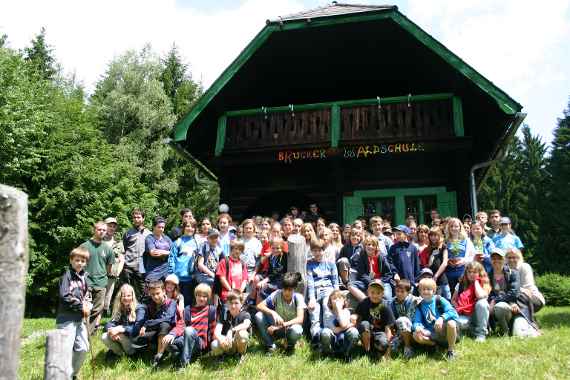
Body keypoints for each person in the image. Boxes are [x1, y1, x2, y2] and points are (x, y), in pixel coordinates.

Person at [56, 247, 92, 380]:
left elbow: (86, 295)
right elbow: (64, 296)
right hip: (66, 319)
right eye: (77, 260)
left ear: (86, 263)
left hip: (79, 319)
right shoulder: (67, 276)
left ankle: (71, 374)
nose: (80, 263)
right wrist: (81, 305)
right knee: (65, 350)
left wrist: (88, 304)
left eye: (83, 261)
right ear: (71, 260)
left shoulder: (84, 277)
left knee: (83, 348)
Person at [488, 248, 539, 337]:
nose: (496, 261)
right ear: (490, 260)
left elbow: (514, 292)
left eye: (499, 258)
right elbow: (488, 292)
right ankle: (490, 329)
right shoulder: (488, 275)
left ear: (503, 260)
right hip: (495, 304)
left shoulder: (513, 273)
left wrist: (496, 301)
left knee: (501, 307)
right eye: (493, 259)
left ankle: (506, 331)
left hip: (511, 303)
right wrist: (491, 301)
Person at [168, 283, 217, 368]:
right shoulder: (188, 309)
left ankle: (183, 364)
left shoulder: (211, 310)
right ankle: (182, 355)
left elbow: (213, 329)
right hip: (186, 339)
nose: (201, 298)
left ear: (208, 297)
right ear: (195, 295)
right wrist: (172, 334)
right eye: (199, 295)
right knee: (169, 342)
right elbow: (182, 325)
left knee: (189, 330)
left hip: (199, 342)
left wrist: (211, 348)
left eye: (205, 296)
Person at [255, 272, 306, 353]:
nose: (286, 292)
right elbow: (259, 306)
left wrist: (281, 326)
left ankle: (290, 345)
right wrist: (273, 313)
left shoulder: (298, 297)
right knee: (259, 316)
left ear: (294, 288)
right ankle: (271, 345)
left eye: (290, 290)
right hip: (277, 326)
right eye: (285, 289)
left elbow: (300, 319)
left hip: (290, 328)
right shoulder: (277, 294)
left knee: (297, 330)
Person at [81, 221, 114, 334]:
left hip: (101, 283)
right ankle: (81, 332)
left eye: (104, 230)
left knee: (97, 310)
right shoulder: (84, 246)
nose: (102, 232)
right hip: (86, 282)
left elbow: (109, 268)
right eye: (99, 229)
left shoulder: (108, 249)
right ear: (94, 230)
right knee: (85, 309)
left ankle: (88, 333)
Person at [412, 278, 459, 360]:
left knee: (451, 323)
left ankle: (450, 350)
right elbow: (416, 322)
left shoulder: (439, 299)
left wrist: (441, 318)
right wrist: (418, 328)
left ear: (434, 291)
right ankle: (434, 345)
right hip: (432, 332)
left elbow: (453, 312)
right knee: (416, 335)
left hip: (445, 330)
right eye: (423, 289)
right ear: (419, 291)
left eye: (428, 289)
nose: (426, 291)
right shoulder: (419, 306)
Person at [306, 240, 340, 345]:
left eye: (319, 250)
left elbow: (335, 281)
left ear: (323, 251)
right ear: (311, 251)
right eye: (314, 251)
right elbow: (310, 283)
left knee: (327, 307)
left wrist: (336, 295)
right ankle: (315, 336)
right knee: (314, 311)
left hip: (328, 291)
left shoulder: (331, 264)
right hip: (315, 291)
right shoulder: (310, 265)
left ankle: (329, 335)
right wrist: (311, 298)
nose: (317, 253)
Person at [102, 284, 145, 359]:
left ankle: (132, 355)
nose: (126, 298)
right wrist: (111, 330)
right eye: (124, 296)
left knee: (121, 334)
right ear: (120, 297)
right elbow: (109, 323)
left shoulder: (140, 309)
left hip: (135, 341)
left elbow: (137, 329)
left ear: (132, 296)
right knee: (104, 336)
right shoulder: (120, 308)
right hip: (122, 338)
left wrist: (121, 329)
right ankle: (120, 354)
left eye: (128, 296)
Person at [354, 279, 395, 359]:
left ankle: (378, 350)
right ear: (368, 292)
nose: (375, 295)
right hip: (367, 332)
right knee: (364, 324)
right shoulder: (364, 302)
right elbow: (357, 316)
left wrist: (388, 351)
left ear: (383, 294)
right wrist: (354, 317)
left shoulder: (385, 306)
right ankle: (367, 350)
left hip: (380, 332)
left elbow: (388, 329)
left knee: (383, 344)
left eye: (378, 293)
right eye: (372, 292)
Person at [139, 281, 177, 368]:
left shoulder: (171, 303)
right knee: (138, 338)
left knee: (164, 324)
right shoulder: (150, 304)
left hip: (168, 332)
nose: (155, 297)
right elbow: (147, 318)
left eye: (158, 293)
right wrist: (144, 325)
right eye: (152, 294)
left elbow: (167, 318)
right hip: (155, 330)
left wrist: (146, 324)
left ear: (164, 291)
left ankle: (158, 356)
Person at [451, 261, 491, 342]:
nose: (471, 274)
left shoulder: (484, 284)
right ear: (466, 273)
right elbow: (453, 300)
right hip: (464, 313)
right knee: (458, 322)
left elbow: (480, 296)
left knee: (482, 303)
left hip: (478, 315)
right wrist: (458, 307)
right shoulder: (461, 284)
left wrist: (476, 282)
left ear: (479, 273)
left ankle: (481, 334)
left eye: (474, 272)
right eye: (469, 272)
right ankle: (470, 331)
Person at [349, 235, 393, 302]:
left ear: (376, 247)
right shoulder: (362, 256)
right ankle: (366, 302)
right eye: (368, 244)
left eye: (373, 245)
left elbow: (388, 274)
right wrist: (371, 282)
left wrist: (380, 281)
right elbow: (361, 274)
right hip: (367, 282)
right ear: (365, 246)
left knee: (387, 296)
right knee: (351, 285)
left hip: (381, 282)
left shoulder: (381, 257)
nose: (370, 247)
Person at [320, 290, 359, 361]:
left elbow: (343, 324)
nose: (337, 300)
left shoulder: (346, 312)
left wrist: (339, 311)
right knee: (325, 332)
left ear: (344, 301)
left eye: (339, 298)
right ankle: (328, 352)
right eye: (334, 298)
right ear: (330, 303)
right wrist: (350, 325)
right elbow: (336, 330)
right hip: (333, 339)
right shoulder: (328, 314)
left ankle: (346, 353)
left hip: (344, 338)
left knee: (354, 332)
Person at [121, 208, 151, 300]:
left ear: (143, 218)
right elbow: (124, 248)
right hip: (128, 266)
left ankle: (143, 311)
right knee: (127, 290)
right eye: (134, 217)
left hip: (142, 266)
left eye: (139, 217)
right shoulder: (128, 233)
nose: (136, 219)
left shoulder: (149, 234)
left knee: (144, 291)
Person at [211, 291, 252, 357]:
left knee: (242, 334)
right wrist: (220, 339)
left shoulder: (245, 314)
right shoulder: (224, 314)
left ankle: (241, 354)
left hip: (238, 342)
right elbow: (216, 332)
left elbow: (246, 324)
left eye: (236, 303)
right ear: (227, 304)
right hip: (227, 342)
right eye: (230, 303)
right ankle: (221, 356)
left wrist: (231, 330)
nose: (233, 306)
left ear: (241, 303)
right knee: (214, 344)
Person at [505, 247, 545, 312]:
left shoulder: (524, 267)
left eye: (515, 257)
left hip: (532, 297)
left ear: (520, 258)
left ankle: (530, 320)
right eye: (509, 258)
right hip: (514, 296)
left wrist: (513, 290)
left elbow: (528, 289)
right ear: (505, 259)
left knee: (512, 300)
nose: (512, 260)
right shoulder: (504, 270)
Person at [168, 221, 199, 305]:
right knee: (175, 301)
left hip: (190, 279)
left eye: (192, 227)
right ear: (184, 228)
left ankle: (186, 318)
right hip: (177, 279)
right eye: (188, 226)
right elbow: (172, 258)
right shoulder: (178, 241)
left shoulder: (197, 243)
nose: (190, 229)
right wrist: (172, 274)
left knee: (188, 302)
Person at [444, 218, 475, 297]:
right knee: (451, 295)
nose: (454, 228)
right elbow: (442, 257)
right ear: (449, 228)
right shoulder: (445, 241)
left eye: (456, 226)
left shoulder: (466, 241)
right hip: (449, 273)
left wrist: (463, 260)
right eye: (451, 226)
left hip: (462, 271)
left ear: (460, 228)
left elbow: (472, 256)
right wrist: (447, 261)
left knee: (462, 294)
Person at [390, 279, 420, 359]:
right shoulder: (393, 302)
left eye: (402, 291)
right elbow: (392, 319)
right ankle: (402, 342)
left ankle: (408, 347)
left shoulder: (413, 300)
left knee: (402, 320)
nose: (399, 294)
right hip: (400, 329)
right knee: (391, 347)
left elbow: (410, 318)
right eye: (397, 291)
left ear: (408, 292)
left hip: (413, 327)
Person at [216, 240, 248, 314]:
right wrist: (231, 291)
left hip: (238, 296)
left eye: (240, 249)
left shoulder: (242, 263)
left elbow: (245, 279)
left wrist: (239, 292)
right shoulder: (224, 261)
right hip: (227, 295)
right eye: (236, 248)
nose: (238, 251)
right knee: (226, 317)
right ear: (231, 249)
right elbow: (222, 278)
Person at [419, 228, 450, 299]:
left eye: (435, 235)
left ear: (439, 236)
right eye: (431, 235)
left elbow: (445, 263)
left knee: (447, 298)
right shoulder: (428, 248)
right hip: (431, 279)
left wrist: (436, 275)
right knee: (435, 300)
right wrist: (429, 263)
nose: (433, 237)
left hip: (442, 278)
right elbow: (427, 265)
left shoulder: (443, 247)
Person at [103, 216, 125, 315]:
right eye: (109, 226)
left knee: (106, 300)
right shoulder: (98, 240)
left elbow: (122, 259)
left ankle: (98, 322)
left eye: (113, 226)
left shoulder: (118, 243)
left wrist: (117, 273)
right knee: (94, 299)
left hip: (111, 276)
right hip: (98, 274)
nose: (111, 228)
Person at [256, 236, 288, 301]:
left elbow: (278, 271)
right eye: (273, 248)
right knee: (258, 280)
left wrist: (265, 280)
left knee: (263, 287)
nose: (275, 250)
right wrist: (265, 279)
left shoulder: (284, 256)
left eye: (278, 248)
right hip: (272, 278)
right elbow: (270, 270)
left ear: (282, 248)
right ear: (270, 247)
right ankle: (257, 305)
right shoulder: (271, 256)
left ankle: (265, 306)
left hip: (279, 280)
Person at [144, 217, 173, 286]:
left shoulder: (166, 238)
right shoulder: (149, 238)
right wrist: (168, 252)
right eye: (159, 227)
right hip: (153, 272)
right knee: (152, 294)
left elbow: (175, 252)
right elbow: (153, 253)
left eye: (163, 227)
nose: (161, 229)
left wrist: (162, 252)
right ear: (154, 227)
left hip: (166, 271)